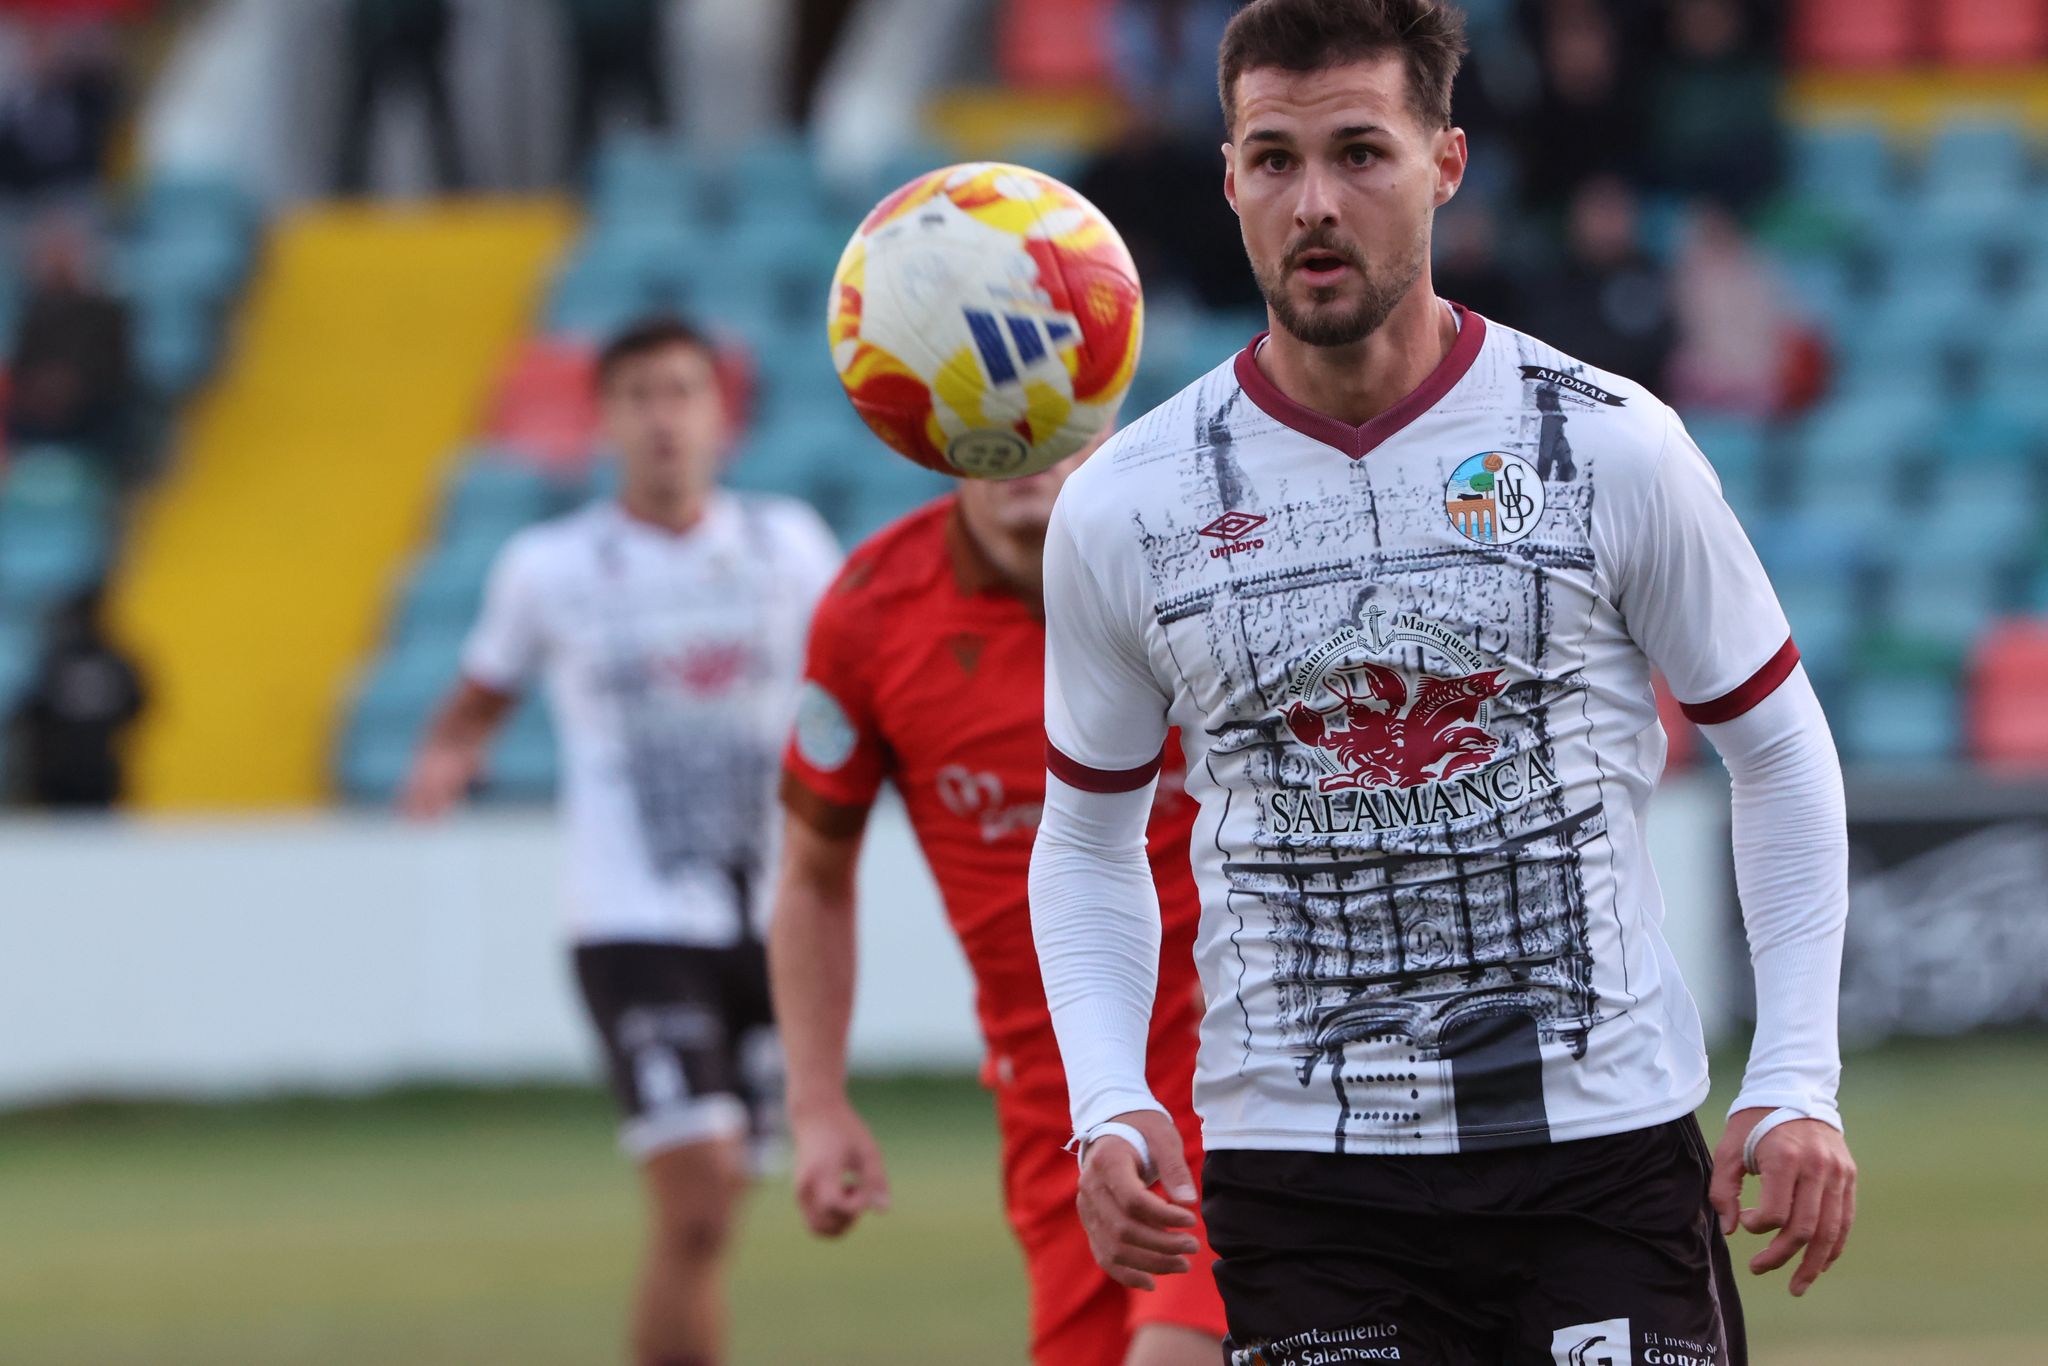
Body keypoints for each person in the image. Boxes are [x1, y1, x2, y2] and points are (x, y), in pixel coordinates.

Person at [1026, 3, 1858, 1364]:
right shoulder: (1130, 505)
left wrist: (1798, 1070)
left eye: (1360, 153)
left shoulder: (1608, 445)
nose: (1314, 203)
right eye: (1275, 160)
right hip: (1304, 1177)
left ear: (1447, 162)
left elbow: (1777, 748)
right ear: (1229, 176)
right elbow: (1086, 835)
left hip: (1600, 1152)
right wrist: (1111, 1095)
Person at [402, 316, 839, 1366]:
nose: (661, 418)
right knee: (693, 1201)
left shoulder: (788, 546)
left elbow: (858, 683)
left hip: (770, 922)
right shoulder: (548, 566)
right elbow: (477, 696)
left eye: (681, 392)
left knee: (716, 1209)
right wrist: (446, 756)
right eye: (637, 396)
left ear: (719, 414)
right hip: (629, 920)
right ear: (602, 419)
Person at [768, 444, 1227, 1366]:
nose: (1028, 444)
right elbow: (812, 874)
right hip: (1052, 1102)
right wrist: (815, 1102)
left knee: (1177, 1351)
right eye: (995, 419)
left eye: (1056, 414)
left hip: (1237, 1058)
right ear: (938, 428)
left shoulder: (1198, 557)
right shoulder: (870, 612)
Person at [15, 585, 145, 808]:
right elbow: (33, 709)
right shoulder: (58, 660)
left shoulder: (66, 660)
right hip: (66, 766)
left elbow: (139, 703)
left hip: (98, 764)